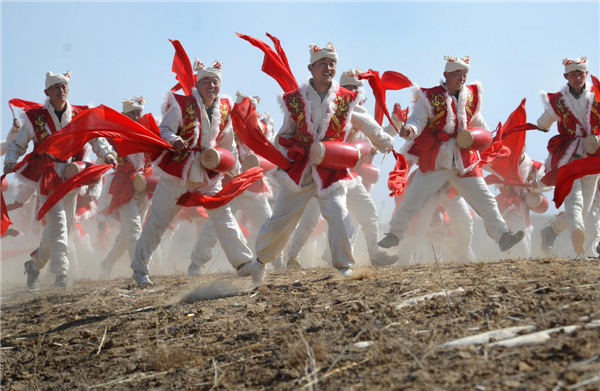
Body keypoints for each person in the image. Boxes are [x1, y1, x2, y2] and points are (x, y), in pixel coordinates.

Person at [254, 43, 395, 282]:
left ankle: (343, 266)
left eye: (332, 63)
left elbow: (366, 123)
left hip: (332, 170)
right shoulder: (295, 100)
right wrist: (284, 160)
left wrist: (386, 140)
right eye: (323, 64)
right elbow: (284, 135)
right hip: (300, 171)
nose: (328, 68)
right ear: (311, 68)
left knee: (340, 212)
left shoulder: (345, 98)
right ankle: (260, 261)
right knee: (280, 222)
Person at [130, 60, 257, 287]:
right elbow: (165, 129)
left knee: (222, 215)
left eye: (215, 81)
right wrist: (174, 139)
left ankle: (243, 262)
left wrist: (234, 170)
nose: (211, 85)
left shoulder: (225, 106)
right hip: (178, 172)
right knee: (159, 220)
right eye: (206, 81)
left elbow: (227, 143)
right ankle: (140, 269)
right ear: (198, 84)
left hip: (208, 173)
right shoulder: (181, 103)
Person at [378, 56, 524, 252]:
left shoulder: (471, 95)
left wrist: (488, 136)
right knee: (413, 198)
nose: (461, 78)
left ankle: (503, 236)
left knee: (486, 200)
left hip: (464, 162)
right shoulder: (429, 96)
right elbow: (417, 120)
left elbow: (477, 121)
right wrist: (410, 130)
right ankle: (394, 234)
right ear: (446, 75)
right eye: (457, 74)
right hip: (436, 161)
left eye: (464, 74)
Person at [3, 71, 117, 289]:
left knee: (60, 229)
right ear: (47, 92)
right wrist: (10, 160)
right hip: (47, 173)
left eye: (64, 86)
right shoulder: (34, 117)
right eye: (56, 87)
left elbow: (96, 138)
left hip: (72, 174)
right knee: (59, 224)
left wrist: (108, 153)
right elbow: (18, 144)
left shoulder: (79, 114)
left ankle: (34, 266)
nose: (61, 90)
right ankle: (61, 276)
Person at [286, 69, 399, 269]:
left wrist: (397, 125)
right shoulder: (329, 108)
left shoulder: (362, 114)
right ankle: (292, 258)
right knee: (310, 219)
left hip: (348, 175)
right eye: (348, 87)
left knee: (368, 212)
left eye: (356, 88)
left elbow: (376, 137)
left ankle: (375, 254)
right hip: (321, 174)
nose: (353, 91)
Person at [187, 94, 285, 275]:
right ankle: (196, 264)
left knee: (268, 226)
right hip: (228, 188)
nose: (244, 114)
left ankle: (279, 264)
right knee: (213, 228)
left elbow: (270, 152)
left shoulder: (261, 129)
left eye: (248, 111)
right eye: (241, 111)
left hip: (253, 188)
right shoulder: (223, 129)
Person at [537, 56, 600, 255]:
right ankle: (577, 234)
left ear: (586, 75)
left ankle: (551, 231)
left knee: (585, 211)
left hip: (593, 158)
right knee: (574, 201)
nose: (577, 78)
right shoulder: (557, 100)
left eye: (580, 74)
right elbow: (544, 121)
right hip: (569, 156)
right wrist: (541, 125)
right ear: (566, 76)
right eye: (573, 74)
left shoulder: (598, 97)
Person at [97, 96, 155, 278]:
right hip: (123, 186)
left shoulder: (149, 132)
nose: (136, 117)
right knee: (135, 230)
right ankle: (140, 272)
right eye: (132, 114)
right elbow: (102, 151)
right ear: (123, 115)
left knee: (128, 233)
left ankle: (107, 263)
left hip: (144, 185)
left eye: (139, 113)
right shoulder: (114, 135)